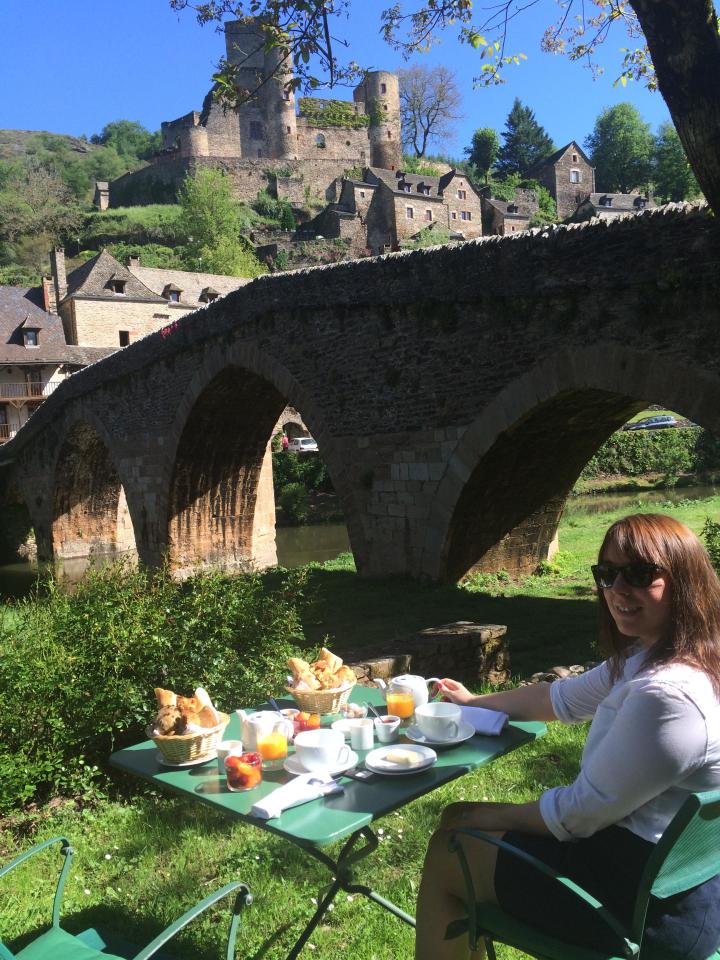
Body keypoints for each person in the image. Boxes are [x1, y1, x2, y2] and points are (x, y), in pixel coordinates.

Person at [415, 514, 720, 960]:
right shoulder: (669, 657)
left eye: (638, 574)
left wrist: (478, 816)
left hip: (642, 911)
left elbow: (577, 815)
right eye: (607, 574)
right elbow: (557, 699)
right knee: (460, 822)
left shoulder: (667, 696)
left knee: (452, 842)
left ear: (684, 580)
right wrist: (474, 701)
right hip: (677, 879)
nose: (617, 589)